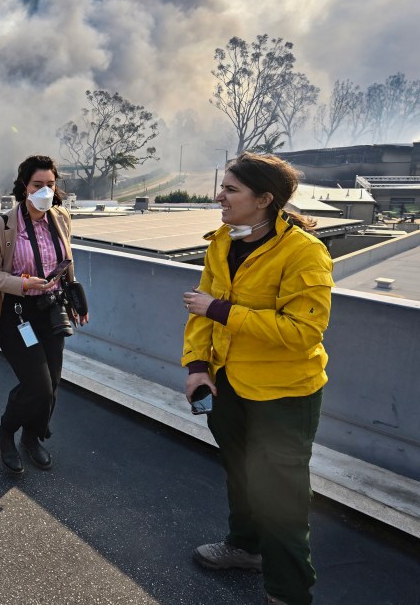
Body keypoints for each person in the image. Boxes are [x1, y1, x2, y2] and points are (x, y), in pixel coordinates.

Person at [182, 152, 334, 605]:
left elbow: (302, 332)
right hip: (229, 385)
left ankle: (288, 592)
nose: (219, 196)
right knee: (241, 474)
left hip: (285, 396)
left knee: (281, 496)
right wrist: (196, 368)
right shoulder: (223, 242)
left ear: (265, 199)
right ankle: (245, 548)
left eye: (231, 189)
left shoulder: (304, 253)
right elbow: (201, 310)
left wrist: (223, 311)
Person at [0, 155, 89, 474]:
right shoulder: (1, 225)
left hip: (52, 309)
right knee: (37, 386)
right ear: (24, 187)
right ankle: (6, 431)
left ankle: (31, 437)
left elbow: (67, 261)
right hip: (17, 315)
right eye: (38, 185)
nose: (45, 191)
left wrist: (77, 299)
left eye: (51, 185)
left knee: (51, 385)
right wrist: (23, 284)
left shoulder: (61, 218)